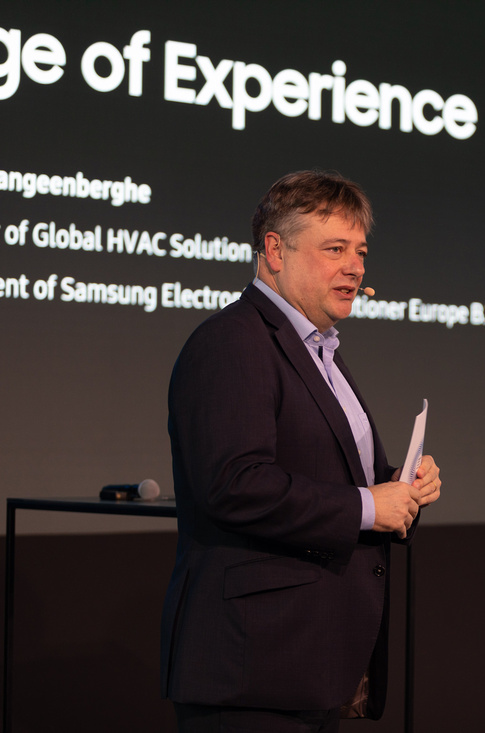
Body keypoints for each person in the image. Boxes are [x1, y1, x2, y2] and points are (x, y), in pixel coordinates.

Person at [161, 170, 441, 732]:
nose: (355, 267)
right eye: (334, 249)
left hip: (311, 662)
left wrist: (400, 489)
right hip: (252, 667)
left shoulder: (321, 352)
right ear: (274, 251)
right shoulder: (231, 342)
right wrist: (369, 506)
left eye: (360, 251)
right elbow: (234, 485)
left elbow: (325, 474)